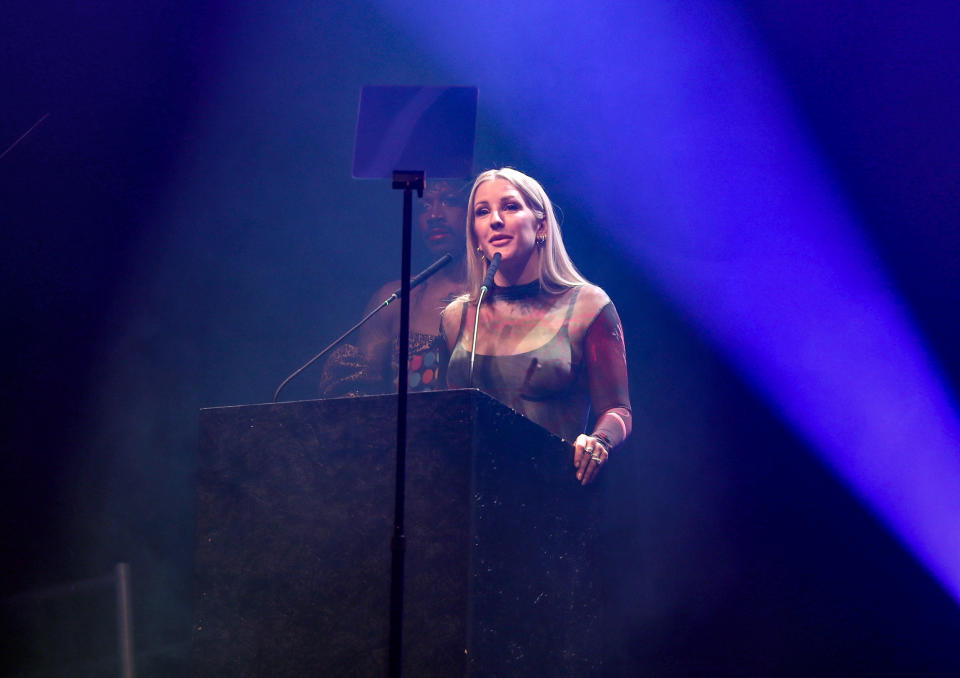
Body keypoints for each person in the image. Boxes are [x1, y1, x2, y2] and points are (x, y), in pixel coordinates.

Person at [441, 168, 631, 485]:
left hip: (549, 497)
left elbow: (618, 409)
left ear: (540, 224)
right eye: (482, 212)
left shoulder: (587, 306)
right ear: (474, 234)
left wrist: (599, 441)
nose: (495, 220)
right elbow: (440, 418)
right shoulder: (456, 317)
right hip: (466, 497)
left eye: (511, 206)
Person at [319, 180, 468, 396]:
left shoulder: (499, 294)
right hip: (408, 429)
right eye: (424, 206)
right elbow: (359, 397)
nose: (435, 215)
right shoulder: (395, 299)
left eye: (450, 201)